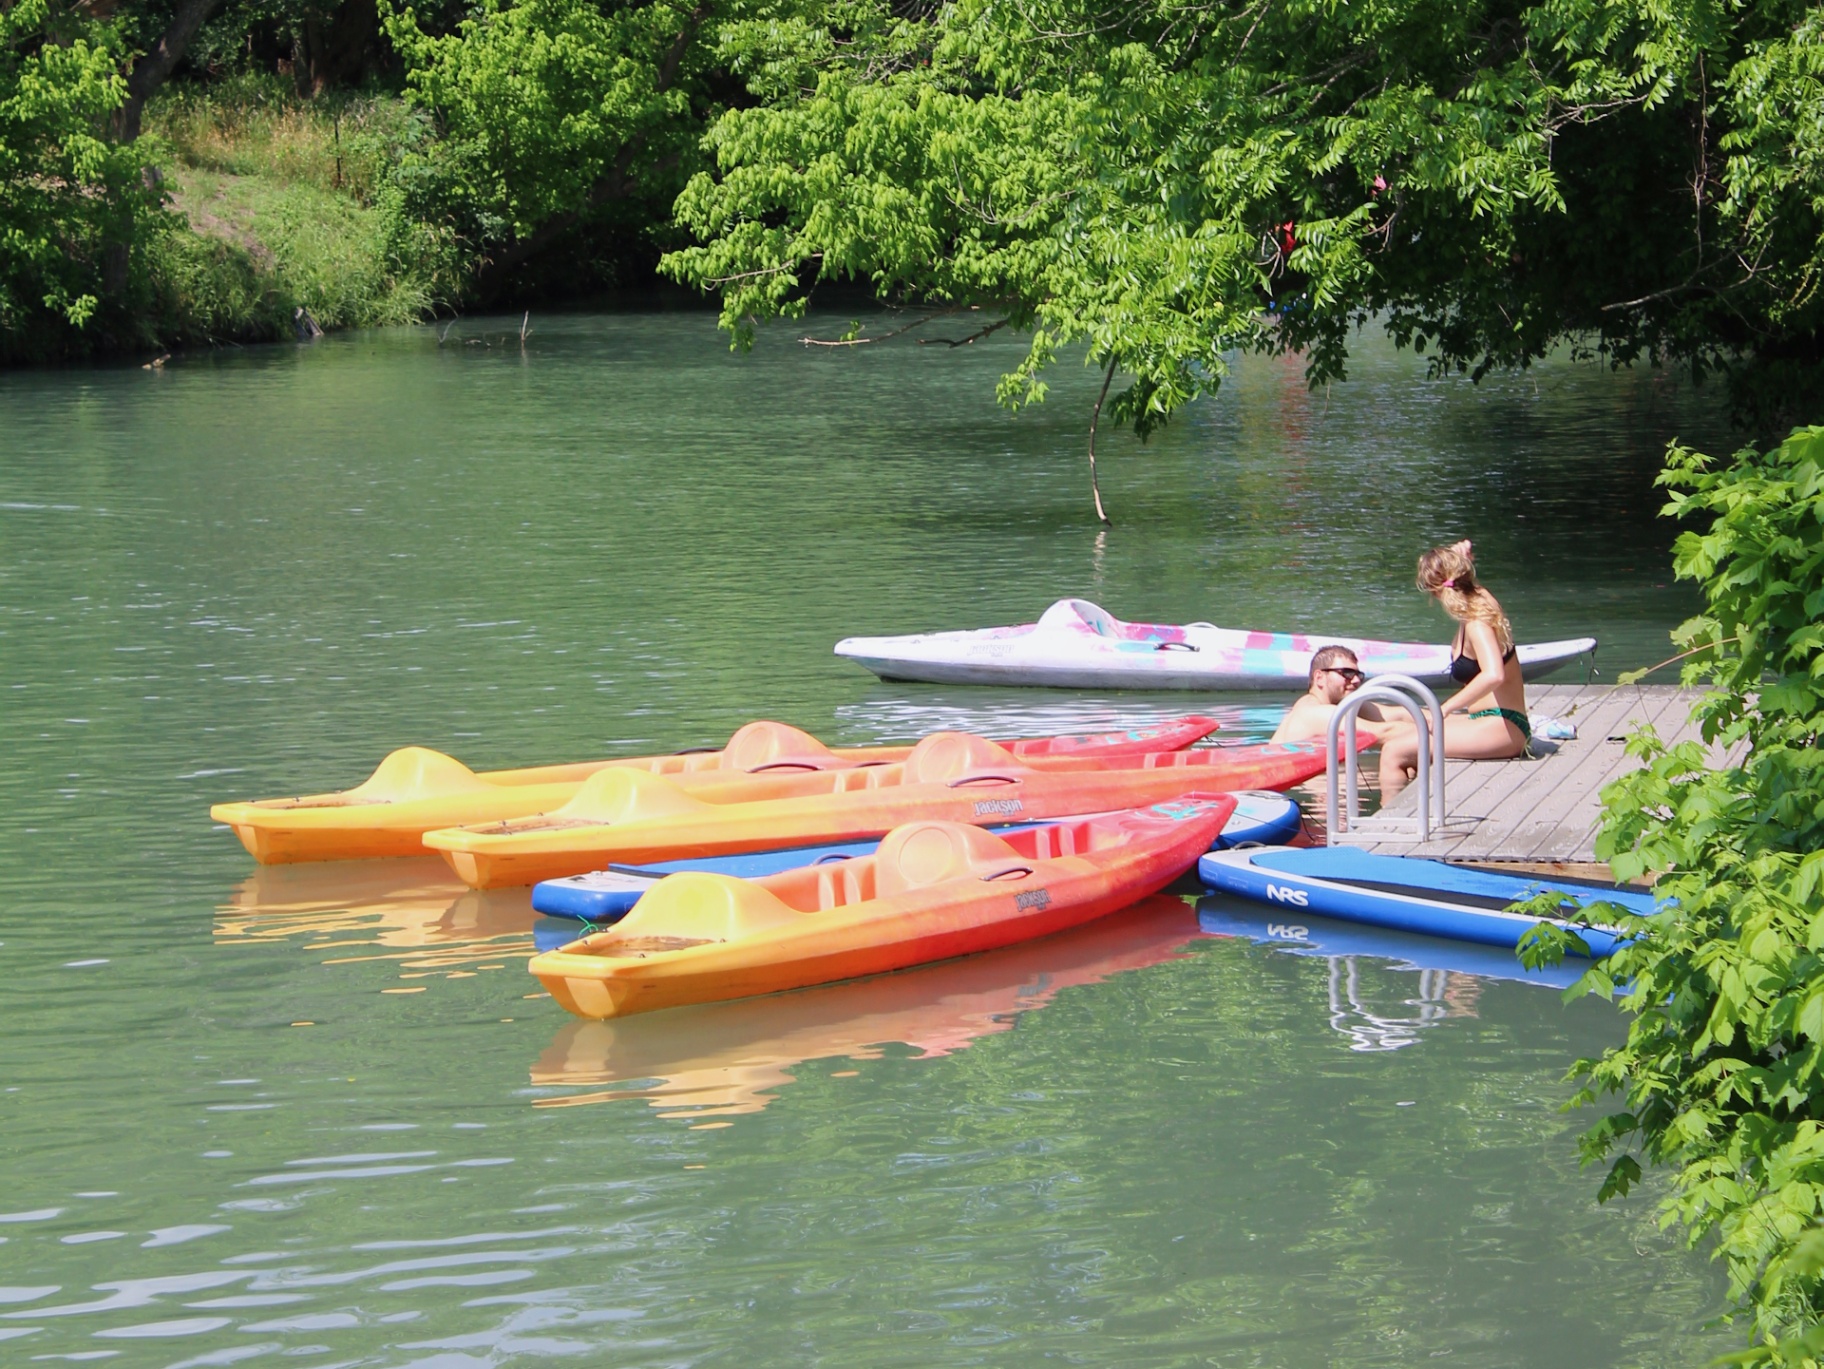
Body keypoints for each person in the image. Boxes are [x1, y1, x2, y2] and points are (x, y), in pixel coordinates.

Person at [1380, 539, 1529, 799]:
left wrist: (1444, 708)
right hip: (1488, 722)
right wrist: (1463, 560)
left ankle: (1388, 828)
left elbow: (1494, 674)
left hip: (1504, 726)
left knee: (1394, 751)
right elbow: (1470, 585)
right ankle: (1414, 807)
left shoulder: (1477, 623)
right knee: (1406, 733)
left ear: (1433, 591)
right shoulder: (1478, 601)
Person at [1271, 645, 1407, 744]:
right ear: (1319, 677)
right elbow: (1384, 733)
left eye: (1358, 675)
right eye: (1347, 673)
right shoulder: (1316, 713)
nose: (1356, 680)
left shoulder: (1339, 706)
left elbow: (1400, 715)